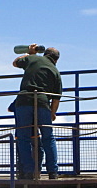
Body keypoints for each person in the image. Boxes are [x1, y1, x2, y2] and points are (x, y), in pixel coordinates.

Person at [13, 44, 62, 179]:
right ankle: (53, 171)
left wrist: (30, 53)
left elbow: (15, 63)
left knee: (23, 138)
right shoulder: (55, 71)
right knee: (48, 137)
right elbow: (56, 99)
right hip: (42, 102)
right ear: (56, 60)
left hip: (24, 100)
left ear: (45, 53)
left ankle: (29, 171)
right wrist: (52, 113)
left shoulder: (33, 59)